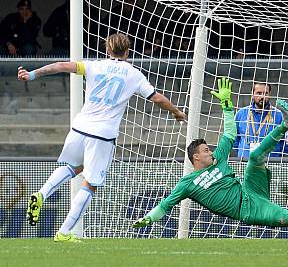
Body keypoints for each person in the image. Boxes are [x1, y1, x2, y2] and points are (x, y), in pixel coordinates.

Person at [19, 33, 186, 242]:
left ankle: (42, 194)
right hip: (103, 134)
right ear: (128, 51)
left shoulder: (93, 66)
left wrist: (32, 75)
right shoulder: (134, 74)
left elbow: (61, 65)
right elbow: (157, 98)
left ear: (107, 50)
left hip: (80, 127)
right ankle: (64, 232)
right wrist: (176, 112)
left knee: (73, 166)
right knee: (90, 183)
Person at [132, 78, 288, 239]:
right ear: (195, 157)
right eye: (206, 151)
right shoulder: (187, 184)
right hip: (249, 209)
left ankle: (286, 124)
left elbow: (230, 133)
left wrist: (227, 106)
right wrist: (148, 218)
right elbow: (166, 204)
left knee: (254, 157)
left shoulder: (219, 158)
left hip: (249, 187)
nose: (210, 152)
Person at [234, 82, 288, 159]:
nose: (262, 96)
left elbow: (287, 142)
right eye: (259, 93)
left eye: (265, 93)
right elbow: (234, 139)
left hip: (270, 164)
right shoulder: (241, 114)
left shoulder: (279, 115)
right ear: (252, 94)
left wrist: (275, 156)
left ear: (269, 94)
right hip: (245, 162)